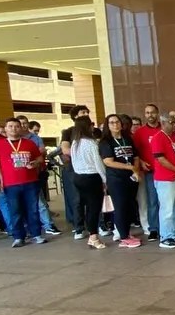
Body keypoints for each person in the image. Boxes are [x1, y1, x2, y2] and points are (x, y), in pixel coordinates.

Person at [0, 118, 46, 247]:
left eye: (16, 126)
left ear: (21, 128)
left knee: (33, 210)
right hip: (11, 184)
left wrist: (36, 163)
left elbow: (40, 158)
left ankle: (36, 234)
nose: (13, 129)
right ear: (5, 128)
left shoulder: (29, 143)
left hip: (30, 182)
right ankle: (19, 237)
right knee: (15, 211)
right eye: (10, 126)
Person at [99, 114, 141, 248]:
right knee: (121, 207)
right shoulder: (106, 142)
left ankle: (127, 233)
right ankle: (123, 237)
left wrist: (135, 170)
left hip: (131, 178)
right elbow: (108, 162)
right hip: (116, 179)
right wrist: (128, 167)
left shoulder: (127, 138)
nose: (115, 125)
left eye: (117, 122)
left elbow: (135, 156)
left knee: (129, 207)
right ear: (108, 125)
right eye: (112, 123)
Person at [151, 111, 175, 248]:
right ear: (163, 123)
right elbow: (161, 160)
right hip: (165, 179)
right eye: (172, 122)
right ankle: (165, 236)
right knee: (167, 209)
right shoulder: (158, 138)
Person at [69, 117, 108, 249]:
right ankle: (93, 237)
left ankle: (91, 234)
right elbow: (98, 163)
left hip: (79, 177)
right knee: (94, 209)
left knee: (87, 207)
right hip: (92, 177)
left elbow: (73, 161)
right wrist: (105, 179)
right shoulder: (91, 143)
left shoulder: (75, 143)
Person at [132, 104, 162, 241]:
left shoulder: (164, 129)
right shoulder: (140, 132)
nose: (150, 115)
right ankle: (154, 229)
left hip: (165, 172)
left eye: (152, 112)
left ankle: (166, 227)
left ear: (157, 113)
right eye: (147, 113)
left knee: (166, 202)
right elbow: (135, 152)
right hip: (150, 172)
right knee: (152, 201)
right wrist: (142, 162)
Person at [60, 105, 91, 239]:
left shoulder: (93, 130)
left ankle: (97, 225)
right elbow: (65, 149)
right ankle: (79, 228)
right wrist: (84, 154)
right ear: (75, 116)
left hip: (91, 169)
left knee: (94, 199)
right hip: (74, 170)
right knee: (77, 199)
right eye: (83, 112)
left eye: (87, 112)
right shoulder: (68, 132)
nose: (86, 114)